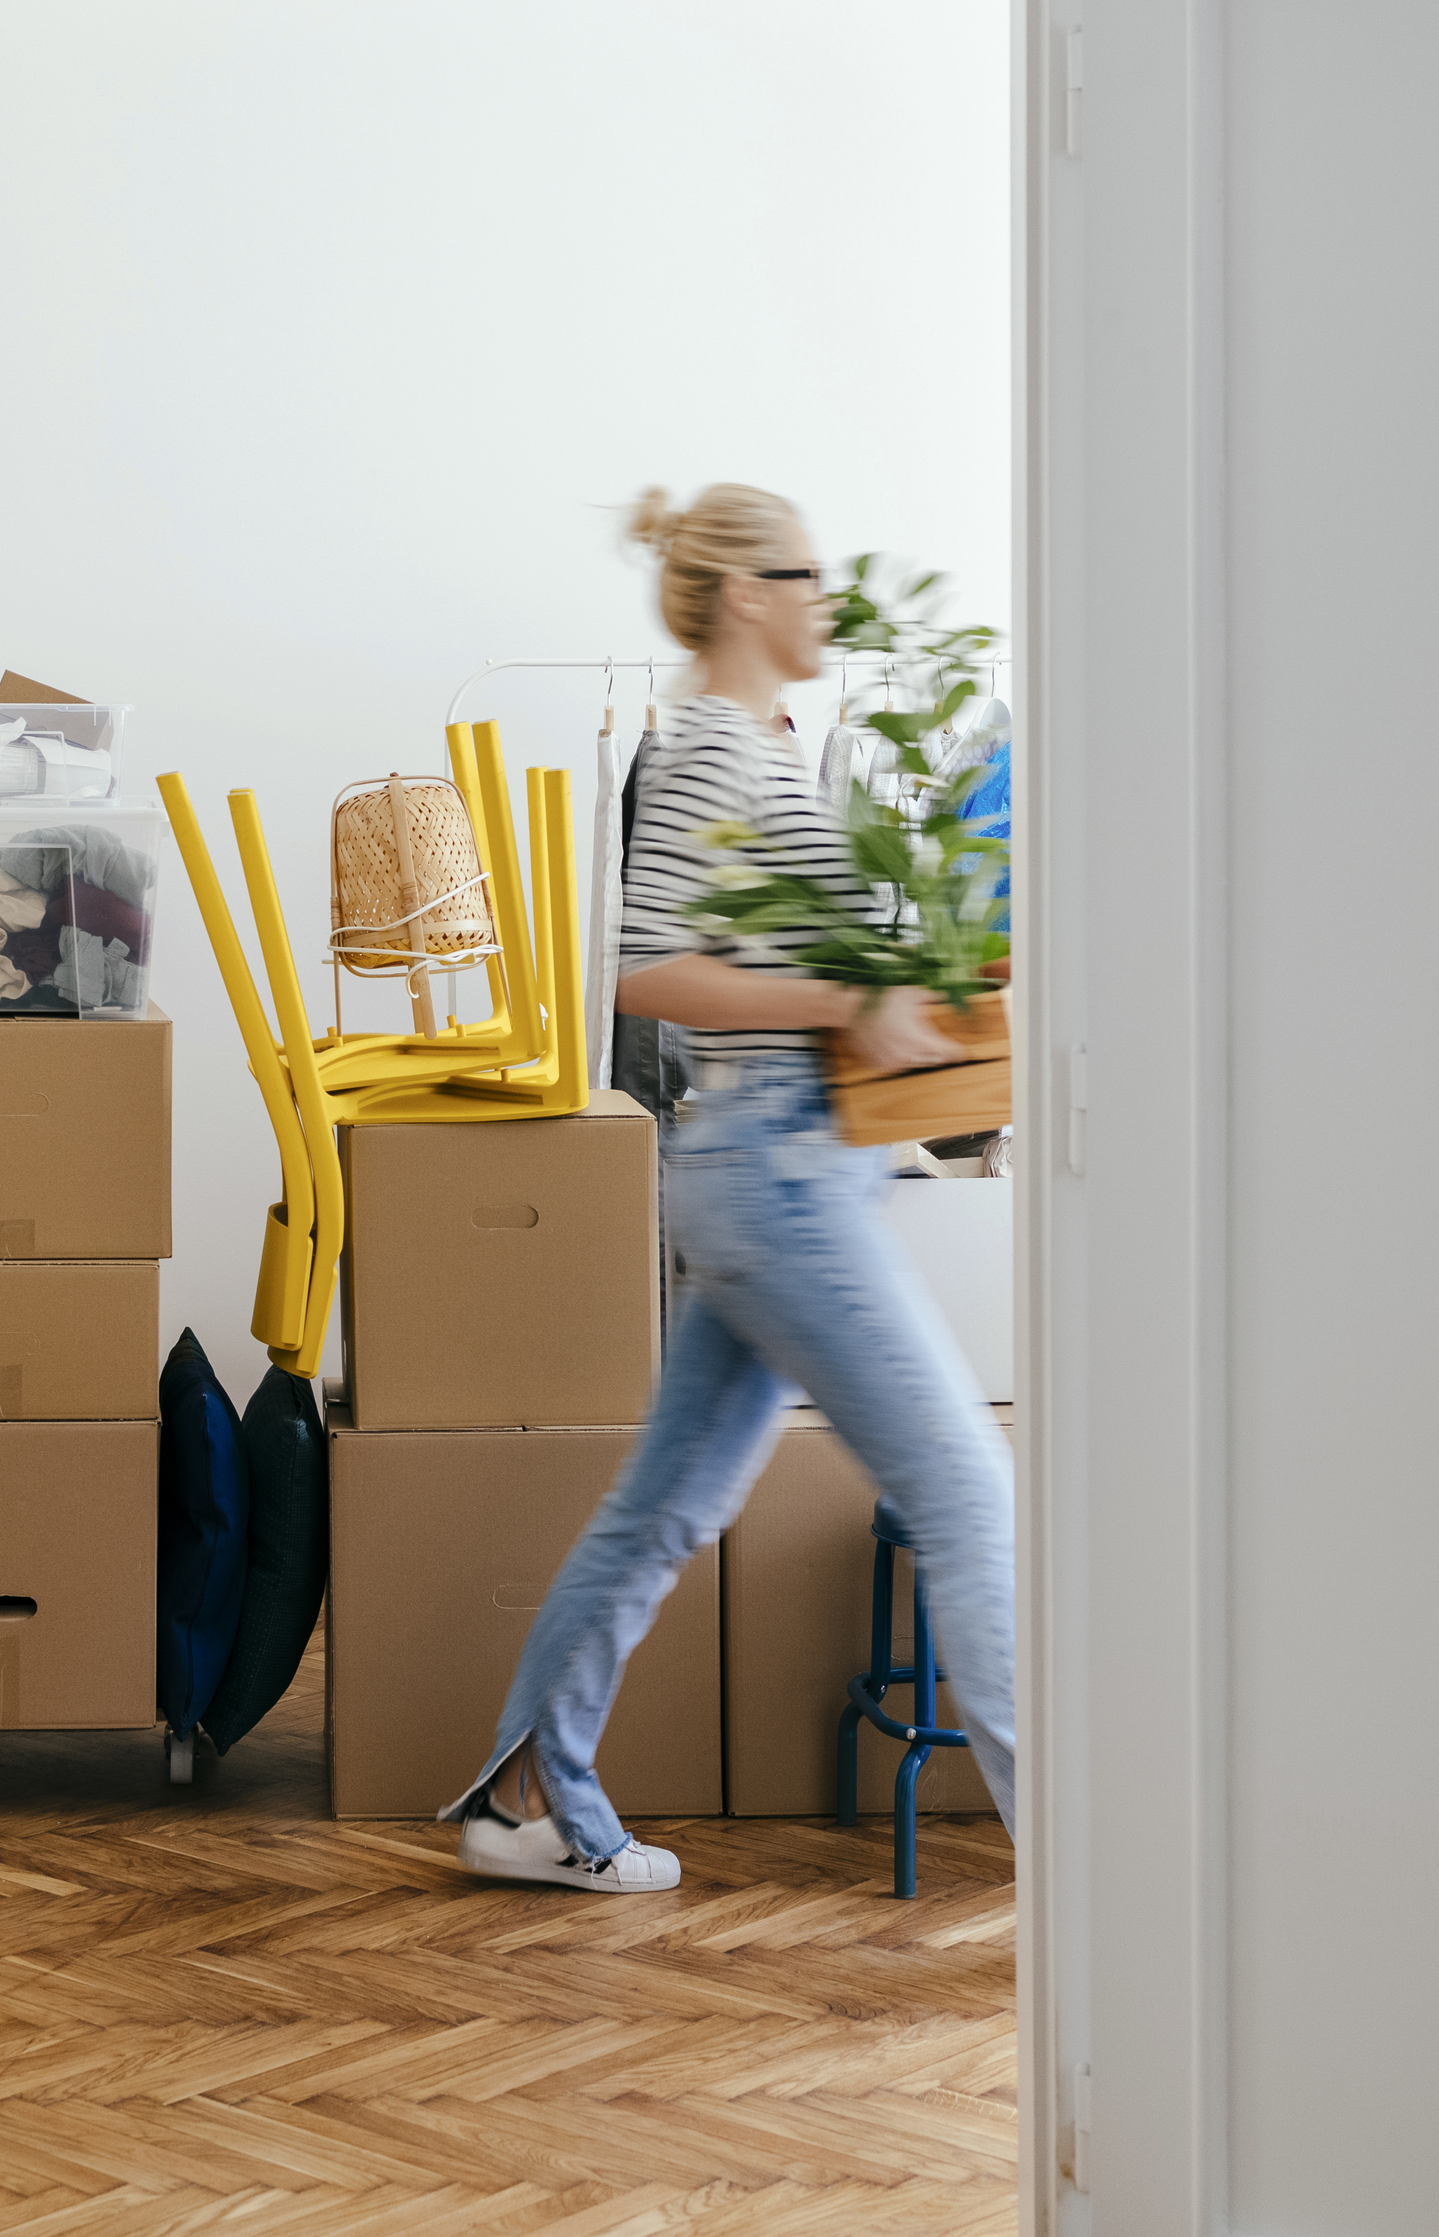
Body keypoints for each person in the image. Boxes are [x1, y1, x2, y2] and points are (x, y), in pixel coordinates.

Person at [442, 481, 1016, 1892]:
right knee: (969, 1495)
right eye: (811, 576)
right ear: (748, 593)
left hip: (783, 1173)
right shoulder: (704, 743)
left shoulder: (775, 741)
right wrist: (843, 1002)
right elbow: (642, 969)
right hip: (775, 1181)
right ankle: (1088, 1866)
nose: (834, 599)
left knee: (660, 1514)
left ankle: (527, 1807)